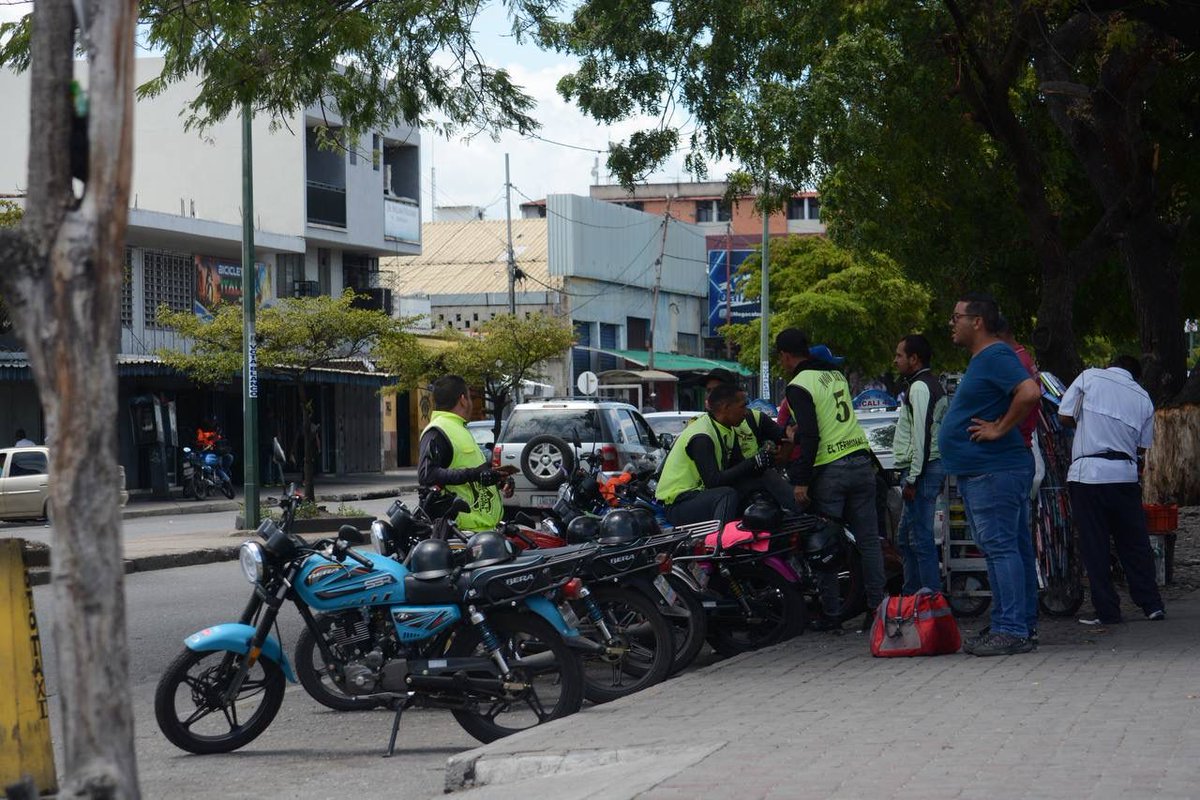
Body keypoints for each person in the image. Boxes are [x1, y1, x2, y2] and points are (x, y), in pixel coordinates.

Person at [938, 293, 1042, 656]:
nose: (952, 324)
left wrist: (999, 428)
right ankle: (1015, 624)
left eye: (956, 317)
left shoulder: (996, 355)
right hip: (991, 470)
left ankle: (1011, 629)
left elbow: (1029, 392)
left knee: (1000, 549)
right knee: (1011, 548)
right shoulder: (988, 357)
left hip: (994, 470)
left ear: (977, 321)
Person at [777, 328, 884, 631]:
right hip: (862, 462)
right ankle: (877, 609)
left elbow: (811, 433)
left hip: (831, 469)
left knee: (824, 543)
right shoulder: (835, 374)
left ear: (785, 356)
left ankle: (832, 613)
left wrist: (801, 479)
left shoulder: (797, 385)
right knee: (868, 542)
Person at [1058, 355, 1165, 625]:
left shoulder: (1089, 377)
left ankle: (1107, 611)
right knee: (1134, 543)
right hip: (1124, 476)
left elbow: (1064, 415)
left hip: (1088, 476)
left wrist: (1089, 426)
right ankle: (1151, 604)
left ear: (1112, 365)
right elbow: (1142, 447)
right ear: (1135, 375)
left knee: (1096, 546)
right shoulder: (1143, 397)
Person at [656, 383, 774, 527]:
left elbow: (738, 469)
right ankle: (719, 543)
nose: (746, 412)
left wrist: (761, 465)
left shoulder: (726, 428)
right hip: (679, 503)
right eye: (743, 406)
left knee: (754, 487)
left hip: (698, 497)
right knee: (726, 495)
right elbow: (714, 481)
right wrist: (752, 462)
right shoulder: (702, 436)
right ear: (726, 408)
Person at [418, 375, 516, 532]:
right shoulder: (438, 430)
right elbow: (427, 474)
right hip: (461, 533)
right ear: (463, 399)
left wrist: (498, 481)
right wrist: (474, 474)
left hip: (482, 531)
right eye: (470, 397)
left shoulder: (458, 428)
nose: (470, 402)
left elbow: (470, 476)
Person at [892, 334, 947, 593]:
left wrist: (913, 478)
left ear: (914, 359)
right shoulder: (927, 384)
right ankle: (912, 595)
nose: (896, 361)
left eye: (900, 355)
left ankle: (930, 601)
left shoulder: (920, 388)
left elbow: (921, 435)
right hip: (924, 467)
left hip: (922, 470)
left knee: (920, 538)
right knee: (906, 537)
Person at [704, 368, 797, 510]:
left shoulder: (754, 417)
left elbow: (785, 437)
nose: (711, 396)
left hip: (756, 489)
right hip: (719, 493)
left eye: (716, 390)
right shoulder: (703, 426)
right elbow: (712, 479)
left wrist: (781, 456)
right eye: (708, 391)